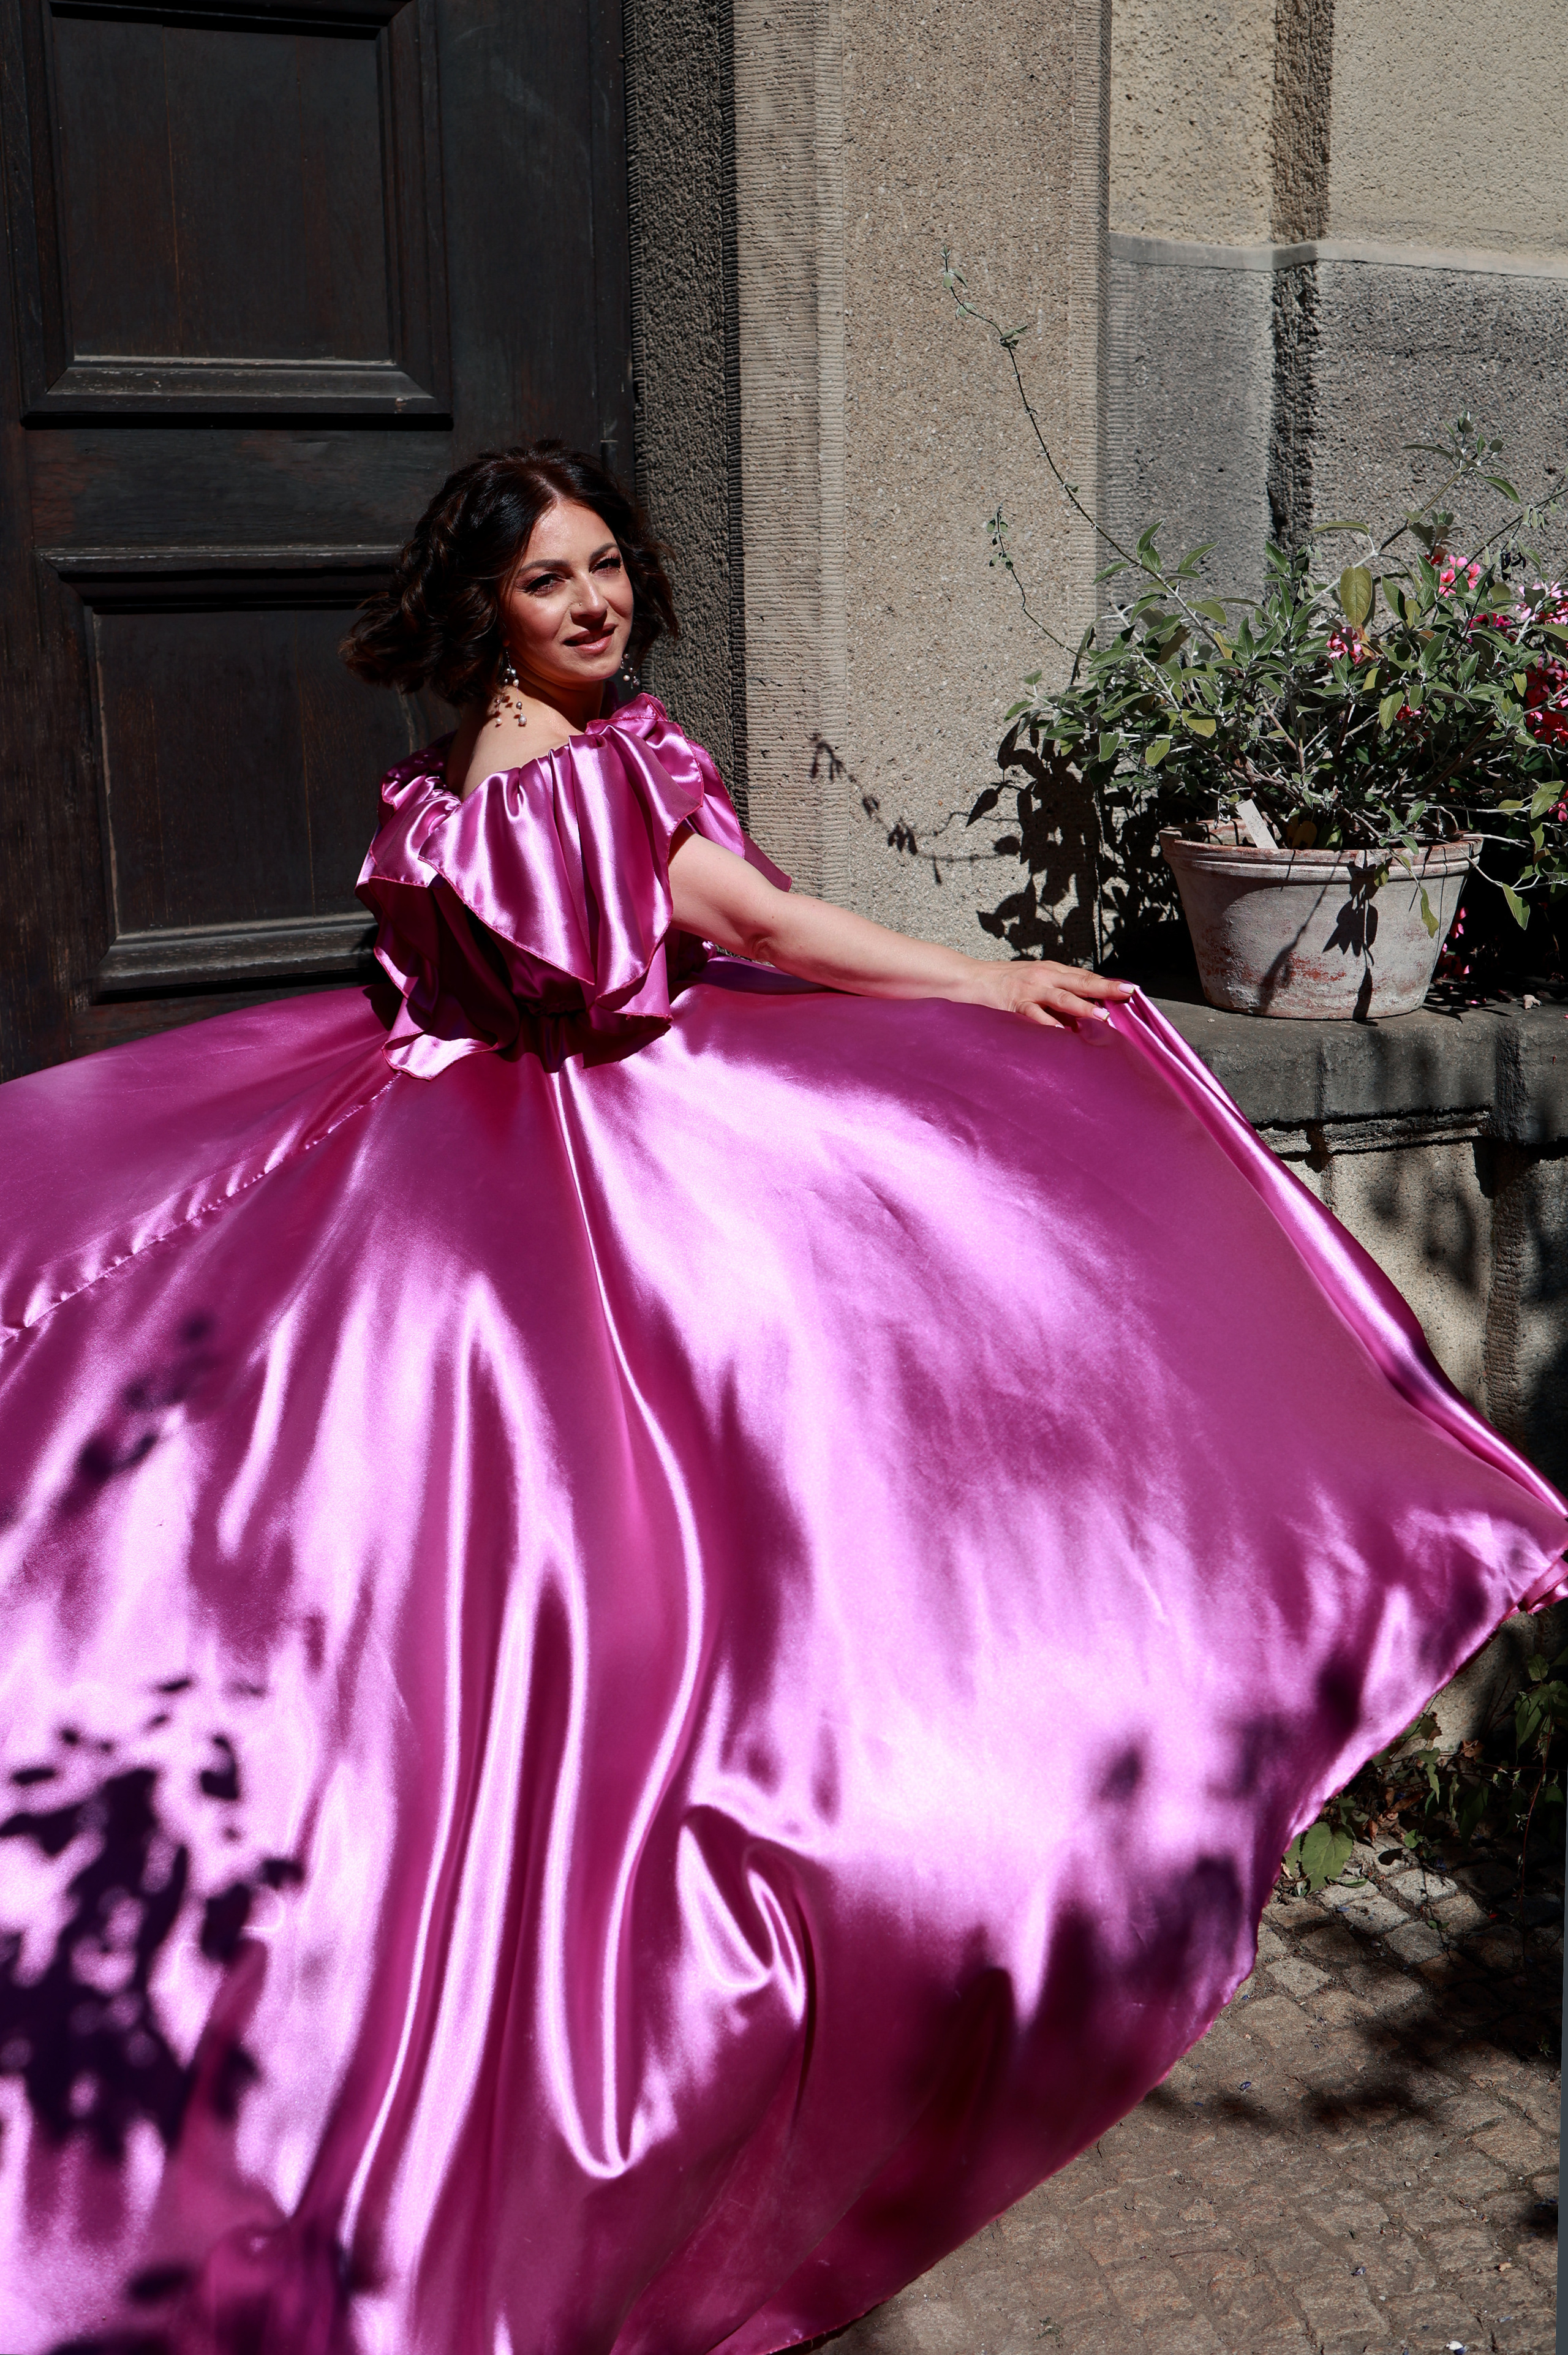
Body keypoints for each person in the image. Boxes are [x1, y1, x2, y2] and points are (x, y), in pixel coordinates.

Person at [0, 442, 1562, 2355]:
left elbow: (527, 970)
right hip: (598, 1165)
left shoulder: (447, 791)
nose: (597, 603)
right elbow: (754, 932)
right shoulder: (590, 772)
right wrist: (980, 986)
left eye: (605, 570)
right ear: (484, 609)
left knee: (553, 1547)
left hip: (448, 1156)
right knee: (747, 1479)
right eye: (550, 583)